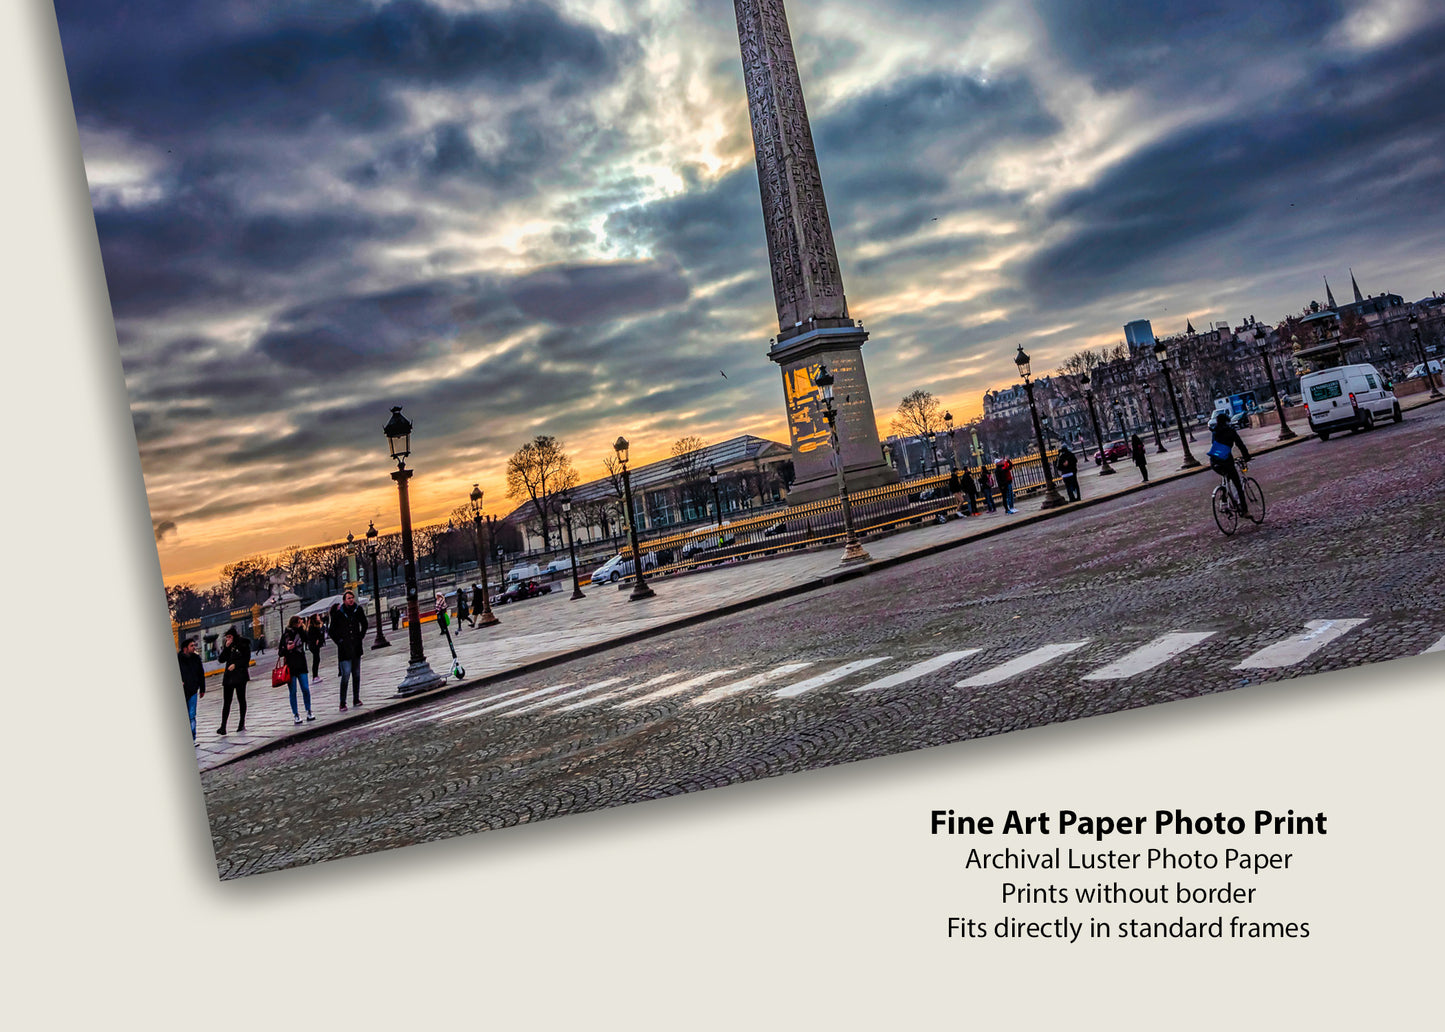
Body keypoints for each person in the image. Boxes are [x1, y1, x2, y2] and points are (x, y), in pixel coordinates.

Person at [328, 589, 368, 710]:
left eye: (352, 598)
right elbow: (331, 631)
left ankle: (356, 698)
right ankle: (342, 702)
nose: (351, 600)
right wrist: (339, 641)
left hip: (356, 647)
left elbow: (364, 624)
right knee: (346, 675)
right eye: (349, 598)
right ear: (344, 601)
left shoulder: (358, 610)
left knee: (356, 674)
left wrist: (361, 635)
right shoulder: (339, 613)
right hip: (344, 649)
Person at [1207, 412, 1252, 515]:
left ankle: (1224, 502)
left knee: (1225, 478)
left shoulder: (1215, 432)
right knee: (1238, 485)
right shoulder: (1230, 431)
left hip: (1214, 461)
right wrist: (1246, 456)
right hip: (1227, 461)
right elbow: (1240, 445)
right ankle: (1244, 511)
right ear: (1227, 422)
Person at [216, 625, 250, 735]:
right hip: (229, 678)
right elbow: (221, 659)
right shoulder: (227, 646)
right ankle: (223, 726)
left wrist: (236, 665)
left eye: (230, 637)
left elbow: (246, 659)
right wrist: (226, 647)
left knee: (241, 699)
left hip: (240, 676)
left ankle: (241, 723)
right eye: (227, 637)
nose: (228, 639)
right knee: (227, 702)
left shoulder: (244, 643)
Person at [280, 615, 315, 725]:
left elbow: (307, 639)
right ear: (293, 623)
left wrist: (302, 629)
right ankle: (296, 714)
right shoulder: (286, 634)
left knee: (305, 688)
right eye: (298, 622)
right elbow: (280, 652)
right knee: (293, 691)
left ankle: (308, 710)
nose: (300, 624)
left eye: (300, 622)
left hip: (301, 664)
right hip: (290, 666)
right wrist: (287, 648)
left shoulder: (301, 632)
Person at [177, 637, 205, 743]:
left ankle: (193, 739)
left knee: (192, 715)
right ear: (185, 648)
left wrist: (202, 688)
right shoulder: (178, 659)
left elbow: (201, 674)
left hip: (193, 690)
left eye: (194, 645)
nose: (194, 647)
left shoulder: (196, 659)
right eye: (191, 646)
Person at [306, 614, 324, 682]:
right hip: (314, 645)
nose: (319, 617)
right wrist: (316, 640)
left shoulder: (316, 625)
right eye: (317, 616)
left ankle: (316, 675)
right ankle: (315, 676)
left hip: (315, 645)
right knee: (316, 660)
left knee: (317, 659)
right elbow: (312, 636)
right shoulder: (312, 627)